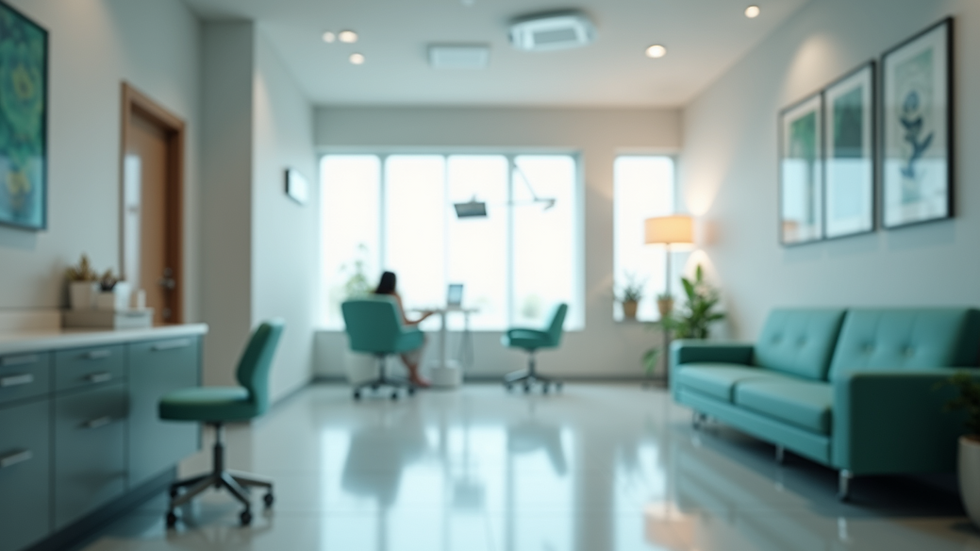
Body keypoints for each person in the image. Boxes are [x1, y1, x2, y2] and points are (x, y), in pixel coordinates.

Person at [375, 271, 434, 388]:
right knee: (420, 337)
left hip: (373, 340)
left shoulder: (372, 298)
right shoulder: (393, 297)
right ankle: (414, 375)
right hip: (393, 339)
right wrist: (425, 317)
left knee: (403, 343)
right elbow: (405, 323)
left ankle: (413, 375)